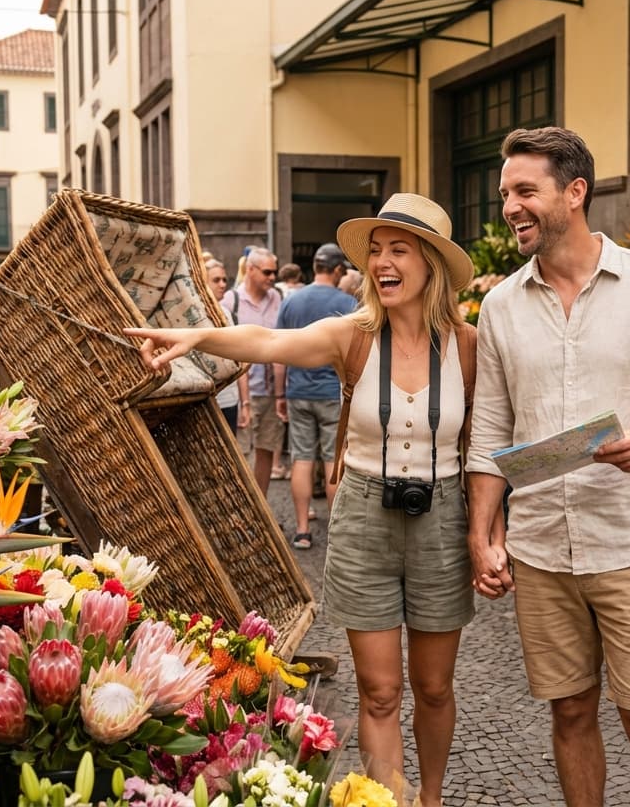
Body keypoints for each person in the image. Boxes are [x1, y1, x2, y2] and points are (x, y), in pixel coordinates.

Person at [127, 193, 478, 807]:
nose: (382, 263)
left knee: (435, 687)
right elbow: (265, 340)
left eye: (399, 250)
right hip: (366, 513)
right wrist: (193, 336)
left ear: (433, 265)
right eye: (376, 252)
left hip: (443, 517)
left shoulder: (471, 346)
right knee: (378, 691)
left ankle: (433, 796)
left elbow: (497, 438)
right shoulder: (353, 336)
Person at [466, 126, 630, 807]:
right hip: (543, 546)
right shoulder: (499, 306)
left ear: (575, 192)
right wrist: (482, 534)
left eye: (526, 191)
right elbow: (490, 428)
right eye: (505, 194)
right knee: (570, 713)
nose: (510, 207)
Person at [274, 242, 357, 549]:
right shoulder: (347, 303)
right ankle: (335, 532)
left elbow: (278, 351)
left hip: (298, 390)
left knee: (302, 459)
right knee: (333, 462)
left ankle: (302, 530)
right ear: (337, 270)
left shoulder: (292, 302)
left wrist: (280, 395)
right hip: (333, 393)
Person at [221, 247, 284, 495]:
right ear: (251, 269)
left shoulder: (277, 298)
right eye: (267, 272)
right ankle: (244, 512)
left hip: (270, 390)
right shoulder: (231, 301)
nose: (272, 277)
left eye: (274, 273)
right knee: (242, 454)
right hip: (241, 391)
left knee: (267, 448)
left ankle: (263, 509)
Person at [205, 259, 249, 434]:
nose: (222, 284)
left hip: (229, 400)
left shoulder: (227, 314)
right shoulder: (194, 315)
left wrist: (245, 402)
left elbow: (239, 359)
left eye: (224, 280)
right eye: (216, 280)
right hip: (208, 399)